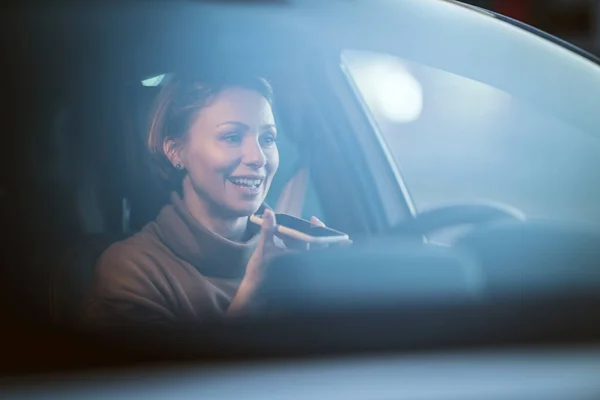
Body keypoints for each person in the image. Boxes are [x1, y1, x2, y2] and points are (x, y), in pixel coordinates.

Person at [82, 73, 329, 326]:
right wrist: (252, 301)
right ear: (175, 151)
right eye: (232, 137)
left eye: (267, 139)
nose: (258, 158)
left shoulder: (287, 253)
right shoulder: (130, 271)